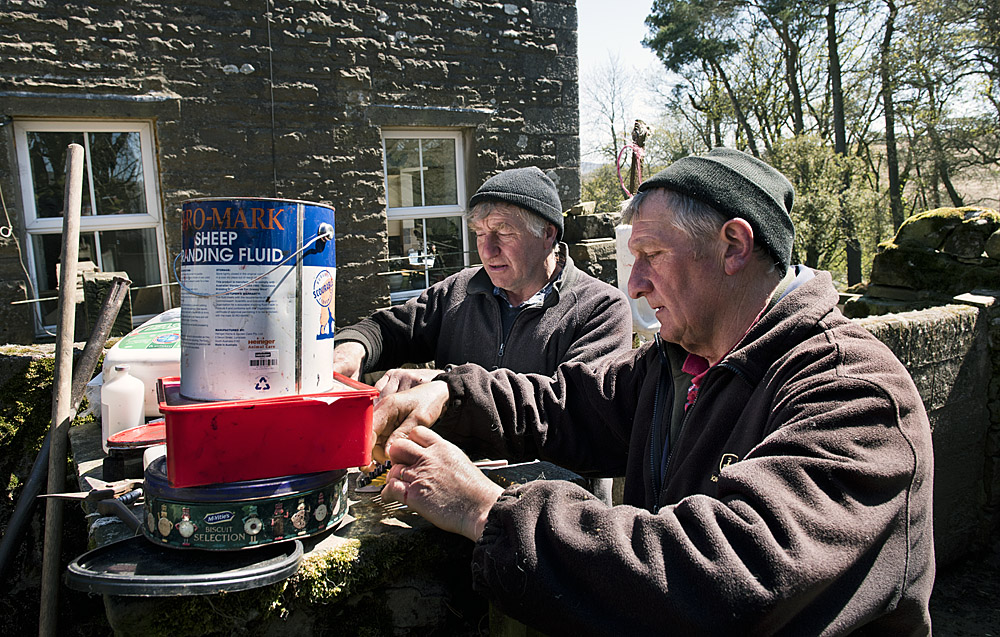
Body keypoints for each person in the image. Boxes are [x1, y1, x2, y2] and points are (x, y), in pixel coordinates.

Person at [371, 148, 935, 635]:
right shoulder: (679, 363)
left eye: (652, 256)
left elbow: (725, 577)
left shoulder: (852, 392)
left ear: (734, 246)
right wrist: (449, 395)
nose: (634, 283)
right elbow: (570, 405)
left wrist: (488, 511)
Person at [332, 166, 633, 397]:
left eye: (503, 231)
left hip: (547, 478)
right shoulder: (459, 290)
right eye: (479, 233)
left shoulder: (601, 308)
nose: (487, 250)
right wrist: (353, 347)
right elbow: (387, 330)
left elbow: (570, 405)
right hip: (441, 472)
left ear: (548, 234)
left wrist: (447, 387)